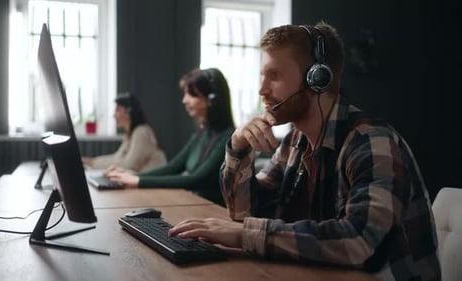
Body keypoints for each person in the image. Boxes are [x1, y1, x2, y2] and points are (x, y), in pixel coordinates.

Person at [168, 22, 441, 280]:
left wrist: (244, 235)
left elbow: (359, 240)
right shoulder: (294, 143)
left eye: (274, 76)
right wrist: (238, 149)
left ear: (317, 79)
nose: (262, 89)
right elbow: (245, 213)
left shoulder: (371, 141)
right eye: (262, 76)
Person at [106, 68, 235, 205]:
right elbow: (173, 167)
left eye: (192, 94)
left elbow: (197, 179)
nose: (184, 100)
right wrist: (133, 176)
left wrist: (138, 180)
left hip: (213, 210)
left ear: (212, 100)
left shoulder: (227, 138)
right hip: (196, 204)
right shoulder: (201, 135)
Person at [82, 94, 167, 172]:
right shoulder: (129, 135)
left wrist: (94, 163)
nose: (114, 115)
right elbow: (117, 158)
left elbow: (129, 165)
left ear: (129, 112)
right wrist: (92, 161)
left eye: (118, 111)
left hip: (153, 185)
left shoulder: (141, 132)